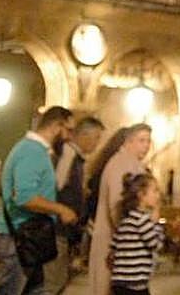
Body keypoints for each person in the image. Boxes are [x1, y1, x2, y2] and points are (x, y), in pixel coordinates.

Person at [0, 106, 79, 295]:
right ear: (57, 126)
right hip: (18, 238)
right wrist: (61, 210)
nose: (69, 137)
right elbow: (25, 197)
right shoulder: (31, 151)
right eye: (69, 130)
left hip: (30, 238)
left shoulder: (37, 151)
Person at [88, 124, 151, 295]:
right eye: (141, 140)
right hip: (116, 243)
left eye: (148, 141)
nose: (146, 145)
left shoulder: (132, 164)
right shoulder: (120, 165)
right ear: (129, 141)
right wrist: (130, 238)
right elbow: (117, 206)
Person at [46, 115, 104, 292]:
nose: (97, 143)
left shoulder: (75, 158)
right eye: (96, 138)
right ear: (84, 135)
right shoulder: (68, 155)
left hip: (64, 230)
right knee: (53, 282)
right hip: (57, 228)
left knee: (58, 280)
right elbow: (56, 186)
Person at [108, 173, 164, 295]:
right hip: (135, 282)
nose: (158, 195)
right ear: (141, 195)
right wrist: (156, 223)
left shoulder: (126, 219)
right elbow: (155, 244)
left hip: (120, 281)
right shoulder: (142, 220)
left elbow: (113, 246)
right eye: (155, 191)